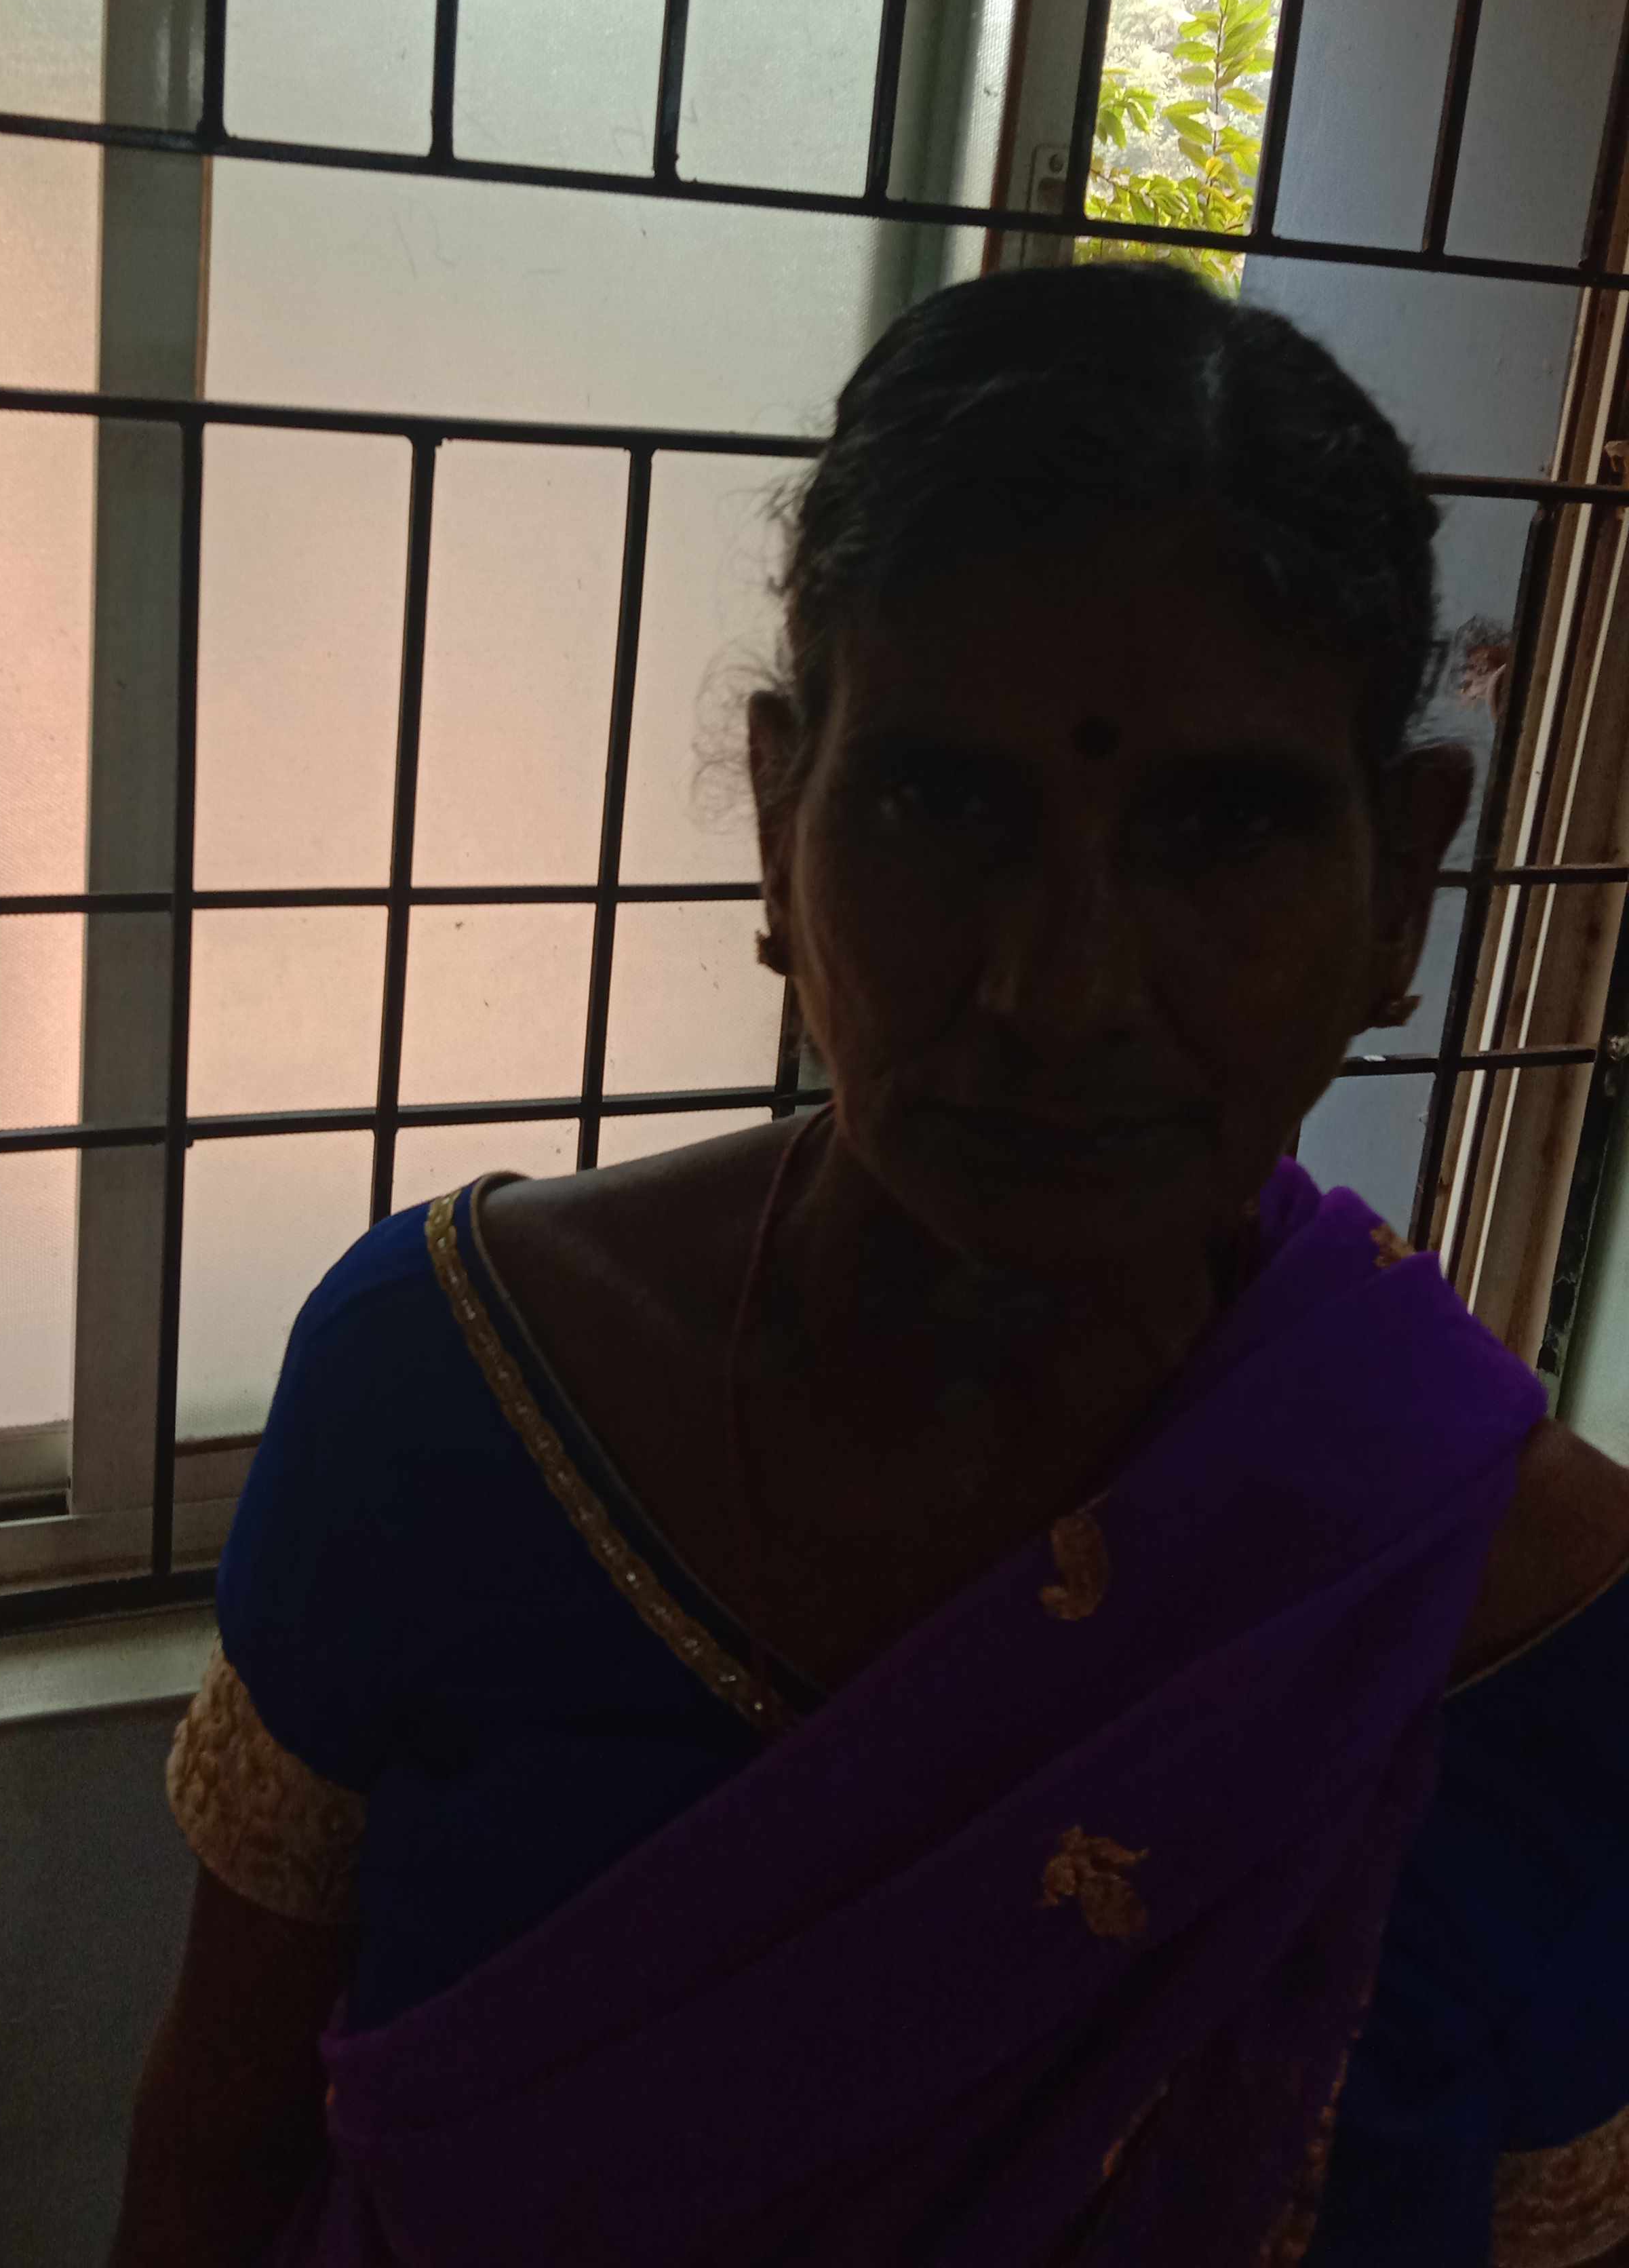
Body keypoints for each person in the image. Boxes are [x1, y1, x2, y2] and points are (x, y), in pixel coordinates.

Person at [110, 265, 1629, 2268]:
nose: (1061, 991)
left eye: (1221, 831)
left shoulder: (1529, 1616)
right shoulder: (451, 1396)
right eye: (939, 801)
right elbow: (216, 2162)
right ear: (778, 816)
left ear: (1406, 882)